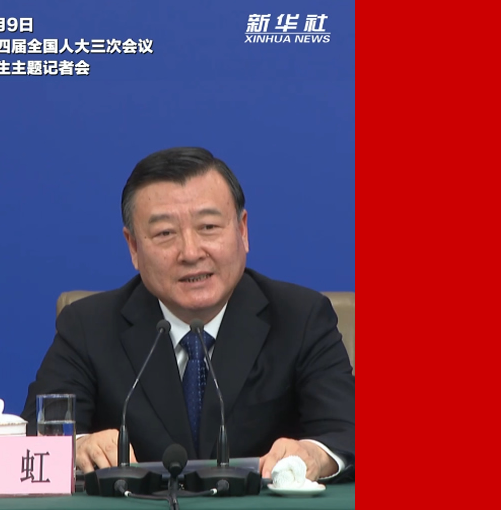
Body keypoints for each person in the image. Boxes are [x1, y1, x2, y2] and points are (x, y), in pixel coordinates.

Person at [21, 147, 354, 482]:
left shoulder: (301, 317)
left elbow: (347, 431)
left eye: (208, 226)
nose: (191, 253)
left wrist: (315, 455)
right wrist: (77, 447)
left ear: (242, 231)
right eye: (165, 233)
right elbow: (37, 435)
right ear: (134, 247)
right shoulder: (87, 325)